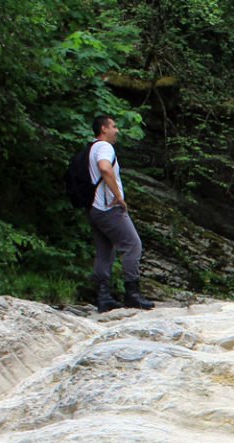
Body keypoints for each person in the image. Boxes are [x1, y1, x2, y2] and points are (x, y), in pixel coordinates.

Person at [87, 114, 153, 311]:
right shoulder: (105, 147)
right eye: (114, 126)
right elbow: (105, 169)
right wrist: (119, 196)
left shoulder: (91, 148)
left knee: (105, 251)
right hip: (108, 208)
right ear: (104, 129)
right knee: (133, 245)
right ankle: (132, 294)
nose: (117, 131)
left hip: (94, 209)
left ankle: (103, 297)